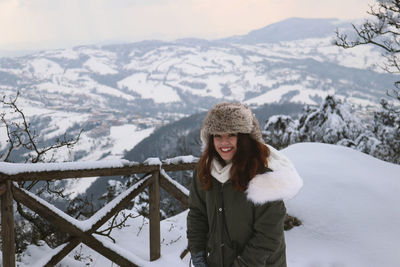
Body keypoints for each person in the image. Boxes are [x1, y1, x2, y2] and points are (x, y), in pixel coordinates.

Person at [187, 102, 303, 267]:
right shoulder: (205, 170)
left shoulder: (264, 174)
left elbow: (268, 236)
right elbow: (197, 214)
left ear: (244, 138)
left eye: (231, 134)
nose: (223, 142)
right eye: (217, 136)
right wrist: (198, 253)